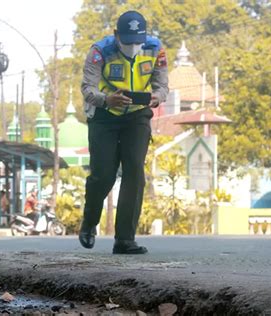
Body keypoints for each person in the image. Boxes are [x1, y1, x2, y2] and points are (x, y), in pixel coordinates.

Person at [79, 10, 168, 254]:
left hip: (137, 115)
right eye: (127, 41)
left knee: (134, 171)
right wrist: (107, 99)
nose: (133, 46)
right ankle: (89, 222)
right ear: (117, 35)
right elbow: (87, 88)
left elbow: (163, 86)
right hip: (104, 115)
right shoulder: (100, 51)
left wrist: (155, 97)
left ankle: (125, 239)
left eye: (137, 41)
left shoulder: (156, 49)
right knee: (104, 174)